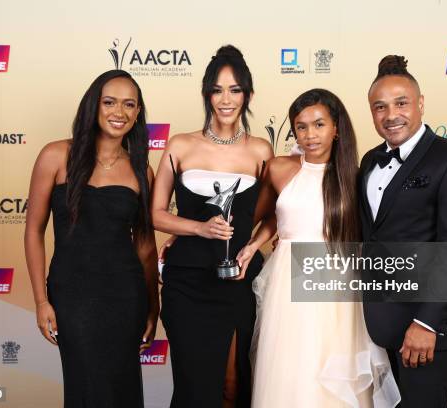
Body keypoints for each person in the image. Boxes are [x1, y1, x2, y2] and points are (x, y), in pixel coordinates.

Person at [237, 88, 400, 407]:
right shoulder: (279, 168)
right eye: (301, 126)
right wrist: (255, 241)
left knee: (330, 369)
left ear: (337, 127)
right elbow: (270, 214)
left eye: (319, 124)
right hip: (288, 279)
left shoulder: (356, 178)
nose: (309, 135)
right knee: (290, 368)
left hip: (336, 285)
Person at [24, 70, 159, 408]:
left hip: (125, 298)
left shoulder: (142, 171)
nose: (120, 112)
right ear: (93, 106)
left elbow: (145, 248)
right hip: (72, 297)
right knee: (86, 388)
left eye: (130, 105)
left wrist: (152, 310)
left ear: (138, 113)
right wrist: (42, 301)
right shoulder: (55, 156)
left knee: (122, 390)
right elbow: (33, 231)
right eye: (110, 102)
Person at [151, 45, 273, 408]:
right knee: (194, 387)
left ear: (247, 95)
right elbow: (156, 214)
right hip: (186, 284)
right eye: (217, 90)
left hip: (237, 283)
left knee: (233, 385)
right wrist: (197, 228)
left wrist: (252, 249)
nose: (226, 99)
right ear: (207, 94)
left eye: (235, 90)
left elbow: (271, 216)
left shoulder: (261, 151)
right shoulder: (180, 145)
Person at [359, 55, 447, 407]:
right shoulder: (369, 161)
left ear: (421, 104)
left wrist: (427, 324)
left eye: (401, 103)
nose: (390, 115)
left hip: (422, 328)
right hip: (376, 325)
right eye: (379, 107)